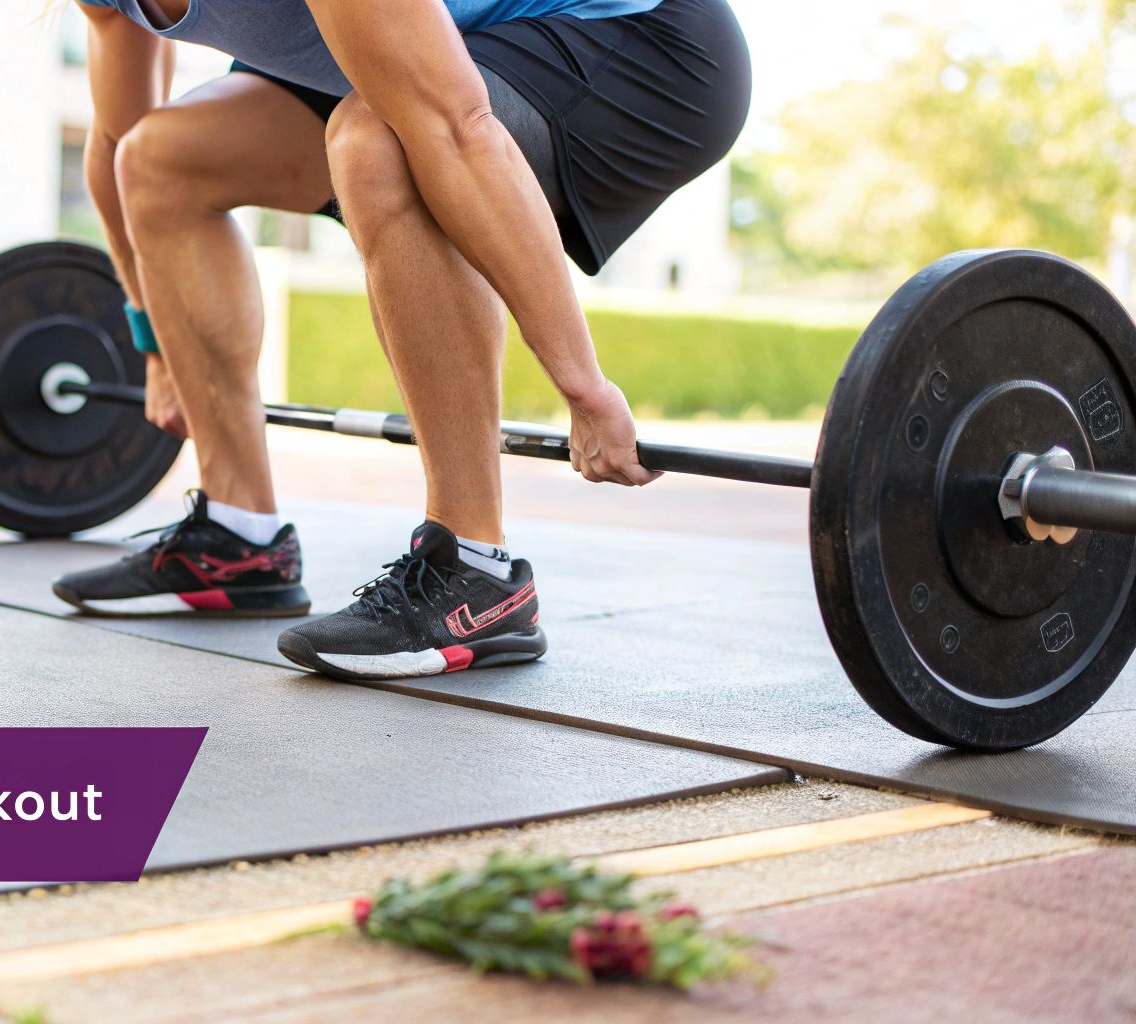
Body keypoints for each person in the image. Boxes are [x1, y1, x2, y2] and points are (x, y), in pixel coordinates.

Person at [50, 0, 751, 679]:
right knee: (160, 159)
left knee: (379, 139)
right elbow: (116, 145)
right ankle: (240, 537)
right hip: (406, 60)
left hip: (647, 45)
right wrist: (152, 341)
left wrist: (584, 386)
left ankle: (475, 569)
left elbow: (456, 127)